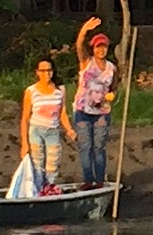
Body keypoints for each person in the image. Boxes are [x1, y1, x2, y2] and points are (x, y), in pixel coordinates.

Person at [71, 22, 117, 189]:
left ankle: (99, 181)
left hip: (102, 112)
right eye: (98, 47)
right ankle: (88, 180)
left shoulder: (112, 68)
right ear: (93, 49)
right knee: (85, 146)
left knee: (99, 147)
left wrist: (113, 95)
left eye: (104, 46)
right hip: (82, 111)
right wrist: (84, 30)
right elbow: (79, 45)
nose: (101, 50)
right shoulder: (86, 62)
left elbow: (114, 88)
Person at [19, 57, 69, 190]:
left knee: (53, 164)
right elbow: (25, 118)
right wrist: (24, 143)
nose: (46, 74)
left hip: (53, 131)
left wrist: (69, 129)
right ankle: (38, 189)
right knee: (37, 164)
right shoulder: (31, 91)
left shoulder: (60, 90)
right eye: (43, 70)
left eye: (49, 70)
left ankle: (48, 188)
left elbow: (62, 112)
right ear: (37, 72)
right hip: (36, 130)